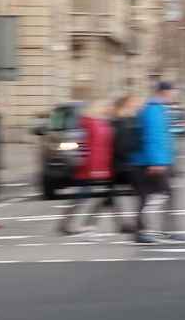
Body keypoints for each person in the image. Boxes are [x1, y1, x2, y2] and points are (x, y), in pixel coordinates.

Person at [132, 81, 181, 243]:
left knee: (150, 196)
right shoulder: (153, 109)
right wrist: (157, 162)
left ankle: (147, 231)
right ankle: (153, 231)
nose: (175, 94)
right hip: (151, 162)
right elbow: (153, 137)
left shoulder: (156, 108)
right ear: (164, 92)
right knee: (164, 195)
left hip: (153, 160)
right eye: (173, 91)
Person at [60, 100, 114, 235]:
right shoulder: (86, 123)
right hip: (88, 168)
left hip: (100, 167)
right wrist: (85, 163)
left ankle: (85, 224)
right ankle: (68, 224)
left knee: (100, 196)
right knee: (82, 196)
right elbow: (80, 145)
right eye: (104, 106)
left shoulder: (101, 122)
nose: (107, 108)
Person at [108, 95, 142, 232]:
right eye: (133, 103)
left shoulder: (127, 120)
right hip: (123, 164)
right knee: (139, 193)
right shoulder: (122, 121)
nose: (136, 105)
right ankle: (131, 224)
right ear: (126, 105)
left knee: (111, 196)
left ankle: (126, 224)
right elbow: (121, 144)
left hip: (121, 163)